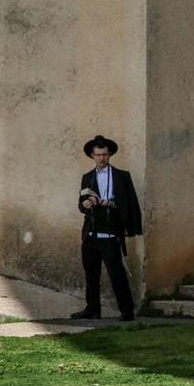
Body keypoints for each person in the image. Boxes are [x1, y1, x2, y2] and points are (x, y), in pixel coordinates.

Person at [71, 134, 143, 321]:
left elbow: (127, 204)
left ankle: (126, 310)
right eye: (98, 155)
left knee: (117, 274)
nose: (102, 158)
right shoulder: (87, 177)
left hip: (110, 234)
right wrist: (85, 205)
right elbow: (81, 204)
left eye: (105, 154)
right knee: (91, 275)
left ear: (109, 154)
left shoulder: (121, 176)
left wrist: (102, 202)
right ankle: (92, 309)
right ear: (92, 156)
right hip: (91, 234)